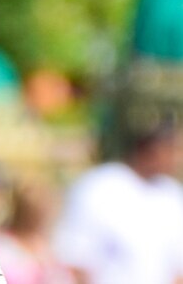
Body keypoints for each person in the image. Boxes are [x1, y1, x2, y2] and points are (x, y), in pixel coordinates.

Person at [53, 120, 183, 284]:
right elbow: (75, 259)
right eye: (172, 150)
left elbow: (177, 268)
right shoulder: (98, 187)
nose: (178, 158)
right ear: (149, 148)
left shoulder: (172, 194)